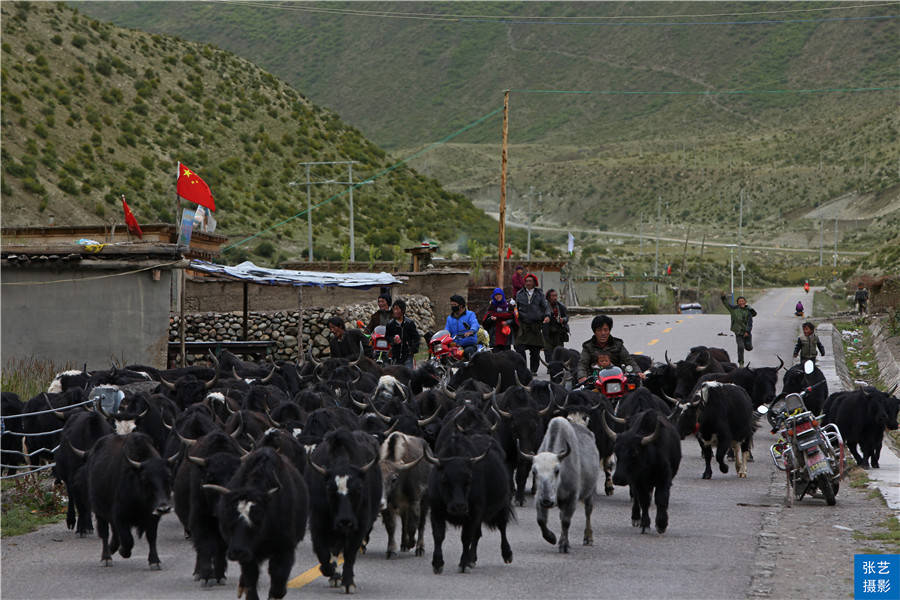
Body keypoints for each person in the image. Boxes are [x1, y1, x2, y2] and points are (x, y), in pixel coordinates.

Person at [577, 315, 640, 384]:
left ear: (609, 330)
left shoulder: (618, 344)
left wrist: (638, 372)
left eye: (605, 330)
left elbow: (629, 360)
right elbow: (582, 364)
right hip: (595, 382)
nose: (603, 333)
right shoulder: (588, 346)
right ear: (594, 331)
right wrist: (582, 377)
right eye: (599, 330)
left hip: (617, 381)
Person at [515, 273, 548, 375]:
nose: (528, 283)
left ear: (534, 283)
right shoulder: (519, 294)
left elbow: (546, 307)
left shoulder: (540, 294)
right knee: (519, 347)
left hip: (535, 325)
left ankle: (533, 370)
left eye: (530, 281)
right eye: (526, 281)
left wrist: (547, 316)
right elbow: (516, 307)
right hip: (523, 325)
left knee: (535, 350)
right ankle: (523, 369)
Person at [721, 293, 756, 367]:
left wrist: (747, 331)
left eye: (743, 301)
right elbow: (726, 304)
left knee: (749, 348)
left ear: (745, 302)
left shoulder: (748, 311)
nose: (741, 302)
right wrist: (723, 297)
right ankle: (741, 363)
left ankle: (749, 346)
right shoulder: (733, 309)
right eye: (740, 301)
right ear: (737, 303)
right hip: (738, 333)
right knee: (740, 346)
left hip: (747, 333)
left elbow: (750, 323)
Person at [385, 298, 419, 368]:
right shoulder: (390, 324)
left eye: (397, 309)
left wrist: (412, 349)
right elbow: (387, 337)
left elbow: (416, 338)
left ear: (403, 310)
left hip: (407, 356)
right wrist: (393, 340)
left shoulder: (409, 323)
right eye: (394, 309)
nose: (395, 311)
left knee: (408, 375)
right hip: (395, 356)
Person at [483, 287, 517, 352]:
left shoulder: (508, 306)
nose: (498, 296)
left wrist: (507, 322)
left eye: (499, 294)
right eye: (496, 295)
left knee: (506, 356)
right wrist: (491, 319)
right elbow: (485, 321)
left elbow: (514, 319)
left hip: (506, 335)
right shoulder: (491, 306)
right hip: (494, 336)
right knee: (496, 356)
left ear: (502, 295)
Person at [542, 289, 569, 362]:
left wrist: (563, 320)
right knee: (548, 350)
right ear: (548, 297)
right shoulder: (543, 306)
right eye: (553, 296)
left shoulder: (561, 306)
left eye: (556, 296)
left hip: (559, 332)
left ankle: (559, 364)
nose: (555, 298)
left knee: (559, 350)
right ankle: (550, 365)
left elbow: (566, 317)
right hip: (547, 332)